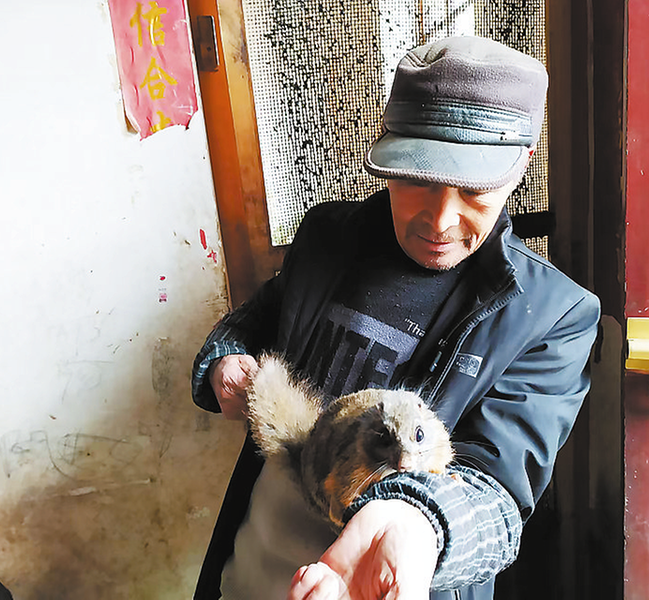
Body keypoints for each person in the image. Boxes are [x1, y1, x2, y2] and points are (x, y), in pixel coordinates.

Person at [191, 35, 600, 600]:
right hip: (252, 567)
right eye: (418, 180)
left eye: (475, 190)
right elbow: (255, 320)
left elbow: (499, 495)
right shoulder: (328, 237)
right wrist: (223, 360)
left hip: (394, 576)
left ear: (521, 164)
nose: (440, 219)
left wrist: (420, 525)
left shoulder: (552, 314)